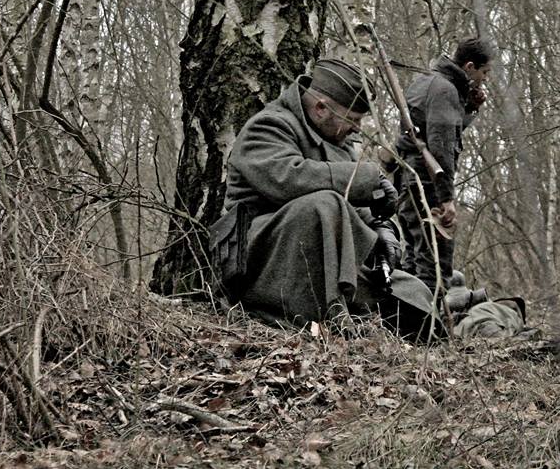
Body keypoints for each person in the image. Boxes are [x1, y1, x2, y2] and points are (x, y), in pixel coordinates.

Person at [210, 58, 439, 338]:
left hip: (325, 263)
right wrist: (366, 177)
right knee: (323, 205)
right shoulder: (268, 126)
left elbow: (352, 205)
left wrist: (382, 229)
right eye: (353, 120)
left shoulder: (335, 141)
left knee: (413, 292)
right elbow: (287, 180)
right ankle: (330, 318)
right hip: (260, 263)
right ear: (321, 108)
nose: (357, 129)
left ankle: (378, 324)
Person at [395, 37, 494, 290]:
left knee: (414, 261)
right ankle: (430, 315)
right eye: (484, 72)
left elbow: (443, 131)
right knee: (435, 266)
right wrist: (446, 198)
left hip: (408, 179)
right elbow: (441, 148)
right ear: (470, 66)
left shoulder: (428, 81)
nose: (485, 79)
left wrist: (470, 107)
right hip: (427, 182)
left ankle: (407, 314)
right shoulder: (445, 90)